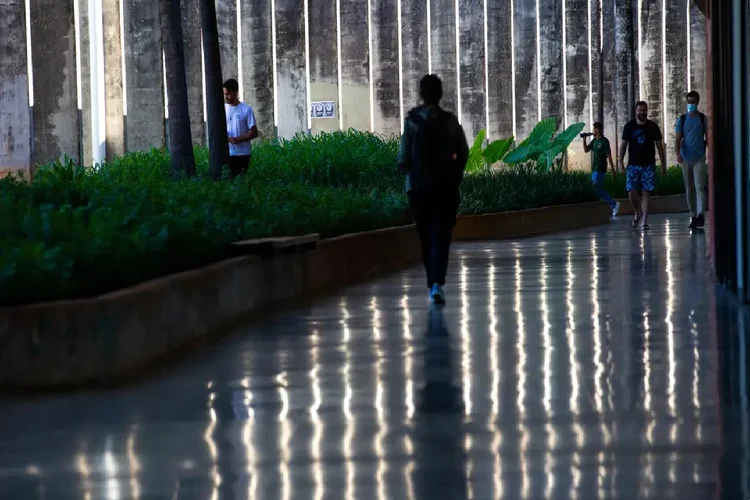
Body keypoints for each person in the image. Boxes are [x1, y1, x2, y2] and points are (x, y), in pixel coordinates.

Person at [398, 74, 469, 304]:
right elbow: (464, 152)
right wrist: (454, 175)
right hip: (445, 189)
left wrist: (414, 172)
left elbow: (403, 158)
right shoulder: (449, 122)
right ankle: (437, 282)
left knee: (426, 235)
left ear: (421, 94)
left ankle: (431, 281)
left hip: (417, 189)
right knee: (441, 235)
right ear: (440, 94)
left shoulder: (412, 122)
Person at [617, 101, 667, 230]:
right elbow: (623, 145)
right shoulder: (629, 126)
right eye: (640, 110)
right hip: (633, 165)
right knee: (631, 192)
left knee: (646, 193)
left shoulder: (653, 127)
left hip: (648, 165)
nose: (642, 112)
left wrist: (663, 165)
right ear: (636, 111)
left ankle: (644, 221)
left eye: (644, 110)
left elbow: (659, 147)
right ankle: (637, 212)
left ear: (647, 111)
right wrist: (620, 162)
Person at [675, 90, 708, 229]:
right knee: (689, 189)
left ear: (697, 102)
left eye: (693, 101)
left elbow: (708, 137)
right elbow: (678, 138)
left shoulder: (702, 119)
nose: (691, 104)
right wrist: (678, 154)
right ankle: (693, 215)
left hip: (699, 158)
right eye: (689, 102)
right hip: (686, 158)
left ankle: (701, 214)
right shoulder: (682, 119)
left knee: (699, 187)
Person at [583, 122, 620, 218]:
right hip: (595, 168)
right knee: (596, 189)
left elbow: (609, 156)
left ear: (598, 130)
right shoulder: (594, 141)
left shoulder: (604, 141)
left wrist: (612, 170)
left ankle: (614, 204)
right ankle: (611, 204)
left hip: (601, 168)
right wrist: (584, 139)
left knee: (597, 188)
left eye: (594, 129)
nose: (593, 131)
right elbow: (586, 150)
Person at [223, 78, 258, 178]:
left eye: (228, 94)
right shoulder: (223, 109)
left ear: (235, 92)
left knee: (239, 179)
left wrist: (238, 139)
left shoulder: (246, 109)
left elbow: (254, 133)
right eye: (225, 94)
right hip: (227, 153)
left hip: (242, 153)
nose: (226, 97)